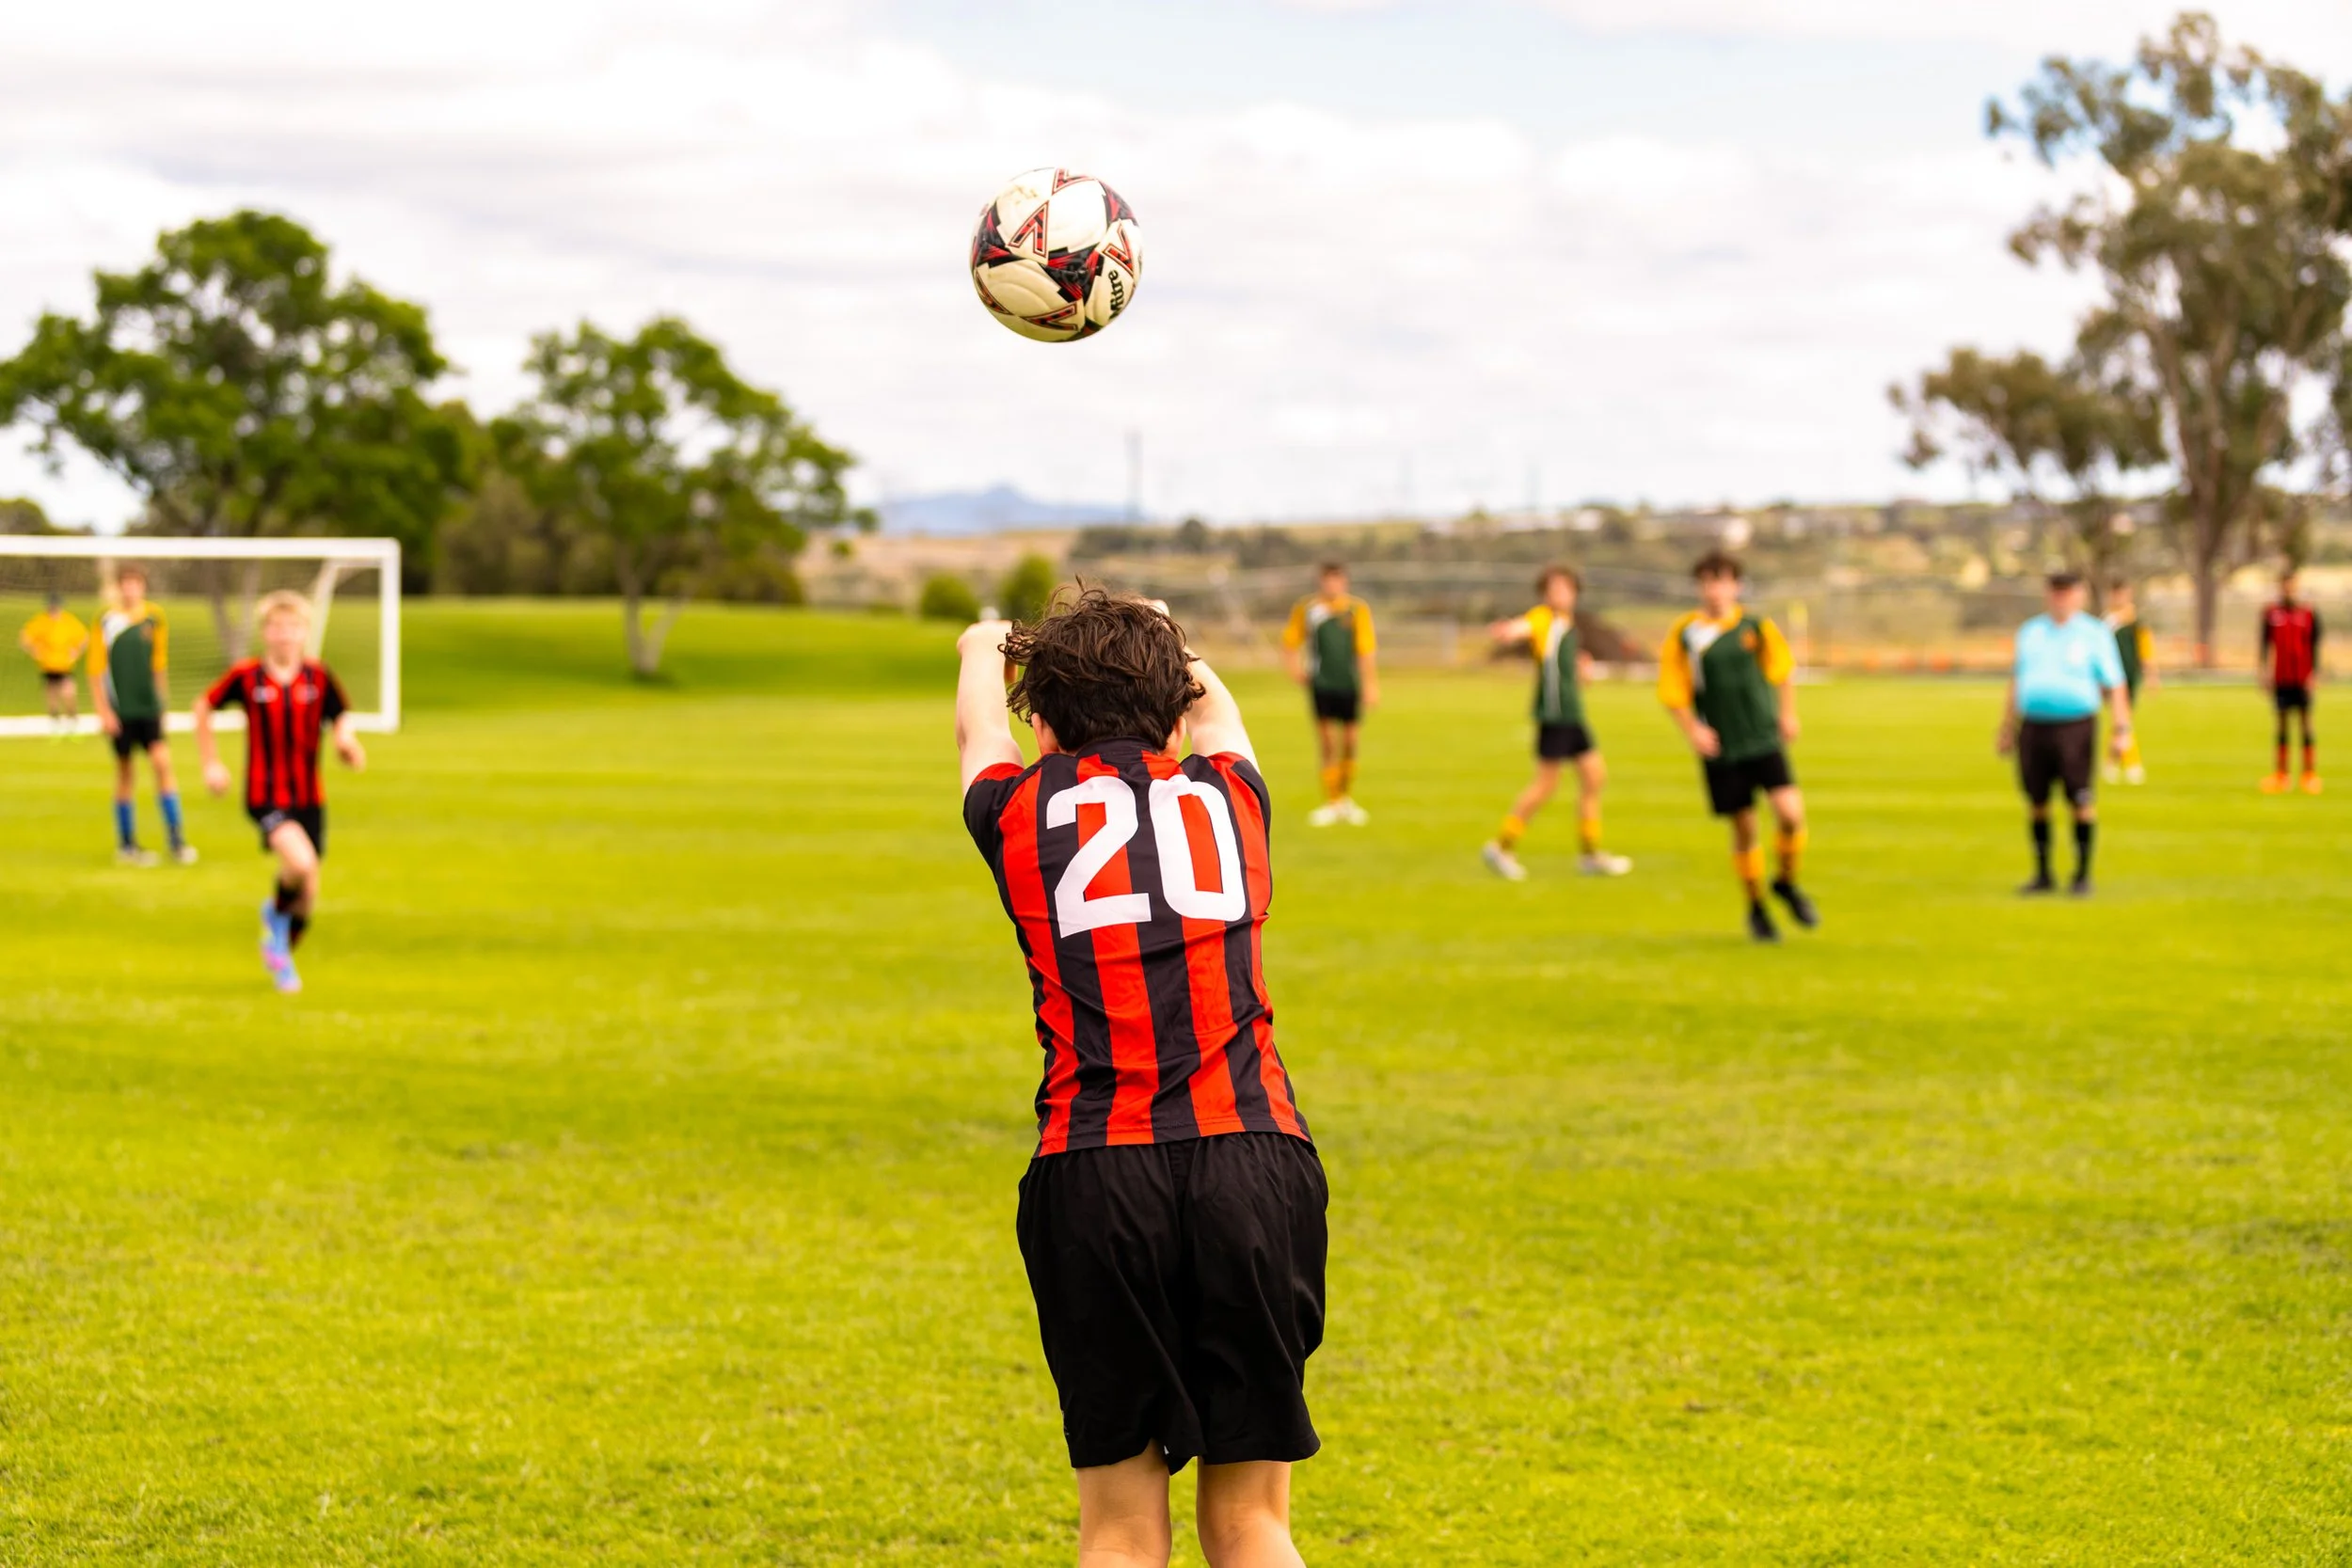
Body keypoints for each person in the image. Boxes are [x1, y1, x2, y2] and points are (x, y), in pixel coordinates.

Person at [957, 589, 1324, 1568]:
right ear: (1171, 712)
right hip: (1253, 1158)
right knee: (1253, 1522)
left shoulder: (1016, 809)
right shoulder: (1234, 794)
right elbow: (1216, 710)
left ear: (1042, 723)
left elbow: (975, 726)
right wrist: (1167, 636)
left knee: (1119, 1529)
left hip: (1096, 1169)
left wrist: (981, 645)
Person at [193, 591, 365, 995]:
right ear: (265, 632)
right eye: (277, 626)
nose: (285, 634)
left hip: (310, 799)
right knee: (301, 864)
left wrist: (347, 742)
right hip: (265, 794)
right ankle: (275, 924)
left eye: (293, 627)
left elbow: (341, 715)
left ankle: (280, 945)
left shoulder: (318, 677)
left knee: (307, 896)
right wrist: (211, 763)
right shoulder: (247, 675)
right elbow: (203, 707)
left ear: (305, 632)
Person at [1659, 551, 1817, 942]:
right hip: (1722, 747)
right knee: (1745, 829)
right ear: (1699, 587)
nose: (1715, 589)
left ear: (1737, 586)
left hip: (1762, 737)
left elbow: (1783, 671)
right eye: (1708, 581)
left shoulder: (1755, 627)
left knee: (1791, 815)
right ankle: (1757, 907)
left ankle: (1785, 881)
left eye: (1723, 580)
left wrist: (1788, 714)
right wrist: (1692, 729)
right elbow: (1672, 690)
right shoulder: (1686, 634)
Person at [1480, 564, 1631, 880]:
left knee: (1594, 777)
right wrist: (1508, 630)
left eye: (1565, 588)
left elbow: (1567, 668)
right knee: (1545, 785)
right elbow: (1524, 627)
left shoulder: (1567, 625)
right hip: (1555, 715)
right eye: (1553, 589)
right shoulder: (1544, 619)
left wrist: (1581, 668)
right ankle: (1501, 846)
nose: (1559, 594)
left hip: (1573, 714)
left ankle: (1590, 854)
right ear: (1544, 594)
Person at [1997, 571, 2132, 896]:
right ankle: (2043, 874)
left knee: (2080, 799)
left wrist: (2121, 729)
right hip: (2034, 726)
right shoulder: (2031, 632)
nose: (2061, 599)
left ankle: (2082, 875)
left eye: (2068, 592)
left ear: (2079, 595)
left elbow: (2115, 684)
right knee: (2037, 800)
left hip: (2075, 726)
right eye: (2056, 592)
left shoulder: (2093, 633)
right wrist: (2006, 726)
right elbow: (2017, 680)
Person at [88, 565, 195, 865]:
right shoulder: (106, 620)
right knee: (125, 773)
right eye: (125, 583)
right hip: (121, 709)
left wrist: (163, 703)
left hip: (148, 707)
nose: (130, 589)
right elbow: (96, 669)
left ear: (143, 587)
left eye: (135, 583)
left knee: (163, 764)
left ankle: (176, 840)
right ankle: (127, 844)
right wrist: (103, 711)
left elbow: (158, 664)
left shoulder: (154, 617)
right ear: (118, 587)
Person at [1279, 562, 1377, 826]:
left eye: (1337, 580)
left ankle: (1345, 798)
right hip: (1321, 684)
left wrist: (1370, 685)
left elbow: (1366, 649)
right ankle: (1332, 801)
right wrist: (1295, 670)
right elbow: (1290, 642)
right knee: (1327, 743)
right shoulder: (1308, 610)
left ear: (1344, 582)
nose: (1332, 586)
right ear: (1321, 582)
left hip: (1349, 683)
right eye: (1327, 580)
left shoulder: (1357, 609)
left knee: (1350, 742)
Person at [2258, 568, 2323, 795]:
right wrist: (2263, 672)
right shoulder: (2271, 613)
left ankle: (2309, 774)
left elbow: (2315, 645)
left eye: (2292, 584)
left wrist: (2314, 673)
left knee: (2306, 722)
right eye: (2285, 584)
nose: (2288, 588)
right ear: (2281, 586)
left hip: (2302, 677)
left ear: (2296, 586)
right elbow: (2264, 645)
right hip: (2281, 677)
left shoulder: (2308, 613)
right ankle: (2281, 775)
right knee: (2282, 723)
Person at [2103, 579, 2156, 784]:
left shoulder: (2136, 622)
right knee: (2123, 719)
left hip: (2131, 676)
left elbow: (2146, 650)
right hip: (2112, 677)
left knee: (2123, 719)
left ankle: (2112, 764)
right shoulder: (2107, 622)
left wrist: (2151, 675)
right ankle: (2131, 764)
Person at [18, 591, 88, 737]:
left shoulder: (68, 621)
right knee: (52, 696)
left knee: (69, 693)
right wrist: (35, 650)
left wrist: (76, 651)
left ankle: (72, 719)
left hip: (65, 665)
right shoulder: (41, 621)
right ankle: (55, 722)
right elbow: (25, 637)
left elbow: (83, 637)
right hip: (48, 665)